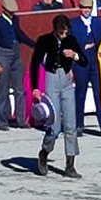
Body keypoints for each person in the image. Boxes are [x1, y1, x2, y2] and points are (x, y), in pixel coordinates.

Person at [30, 14, 87, 178]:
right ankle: (44, 153)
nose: (64, 35)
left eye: (66, 32)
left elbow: (84, 61)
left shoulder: (71, 40)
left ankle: (70, 166)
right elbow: (35, 64)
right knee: (54, 126)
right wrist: (35, 87)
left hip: (67, 81)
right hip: (51, 79)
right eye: (61, 33)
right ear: (55, 30)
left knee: (71, 125)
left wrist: (74, 56)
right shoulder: (44, 40)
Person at [0, 0, 35, 130]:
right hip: (3, 54)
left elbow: (20, 34)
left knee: (20, 89)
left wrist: (33, 44)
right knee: (3, 89)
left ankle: (21, 120)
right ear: (4, 9)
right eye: (10, 11)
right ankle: (2, 121)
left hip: (16, 53)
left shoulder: (15, 19)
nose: (12, 13)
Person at [71, 0, 101, 137]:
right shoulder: (73, 24)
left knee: (99, 93)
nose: (86, 10)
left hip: (96, 62)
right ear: (80, 8)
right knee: (80, 94)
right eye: (84, 8)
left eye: (89, 8)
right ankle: (78, 125)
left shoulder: (98, 22)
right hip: (80, 62)